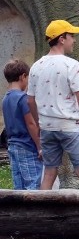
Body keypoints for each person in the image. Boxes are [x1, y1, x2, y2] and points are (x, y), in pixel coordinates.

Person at [27, 19, 79, 189]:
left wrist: (40, 124)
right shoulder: (71, 65)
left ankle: (42, 212)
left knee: (49, 172)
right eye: (71, 35)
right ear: (61, 39)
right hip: (70, 127)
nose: (74, 40)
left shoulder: (36, 66)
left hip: (47, 128)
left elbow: (30, 100)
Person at [2, 59, 43, 189]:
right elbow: (31, 124)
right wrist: (39, 146)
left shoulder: (6, 98)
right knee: (33, 183)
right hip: (27, 146)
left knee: (18, 185)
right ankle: (36, 209)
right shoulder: (22, 98)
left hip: (12, 145)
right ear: (23, 76)